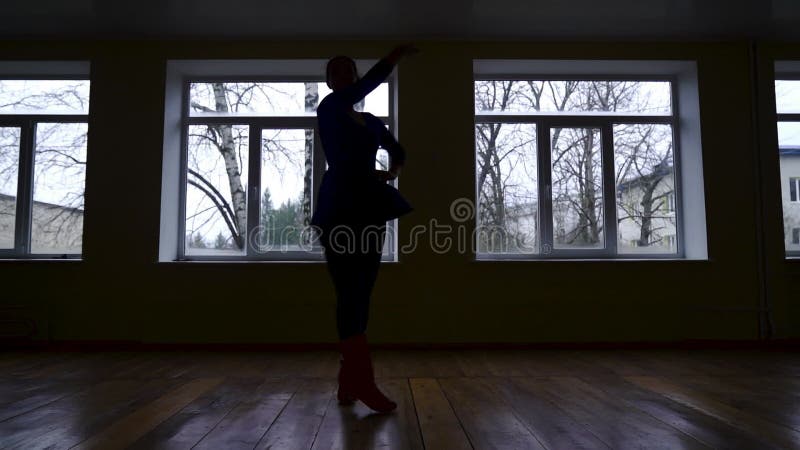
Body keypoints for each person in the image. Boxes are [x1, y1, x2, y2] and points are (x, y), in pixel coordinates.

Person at [311, 44, 418, 413]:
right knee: (348, 293)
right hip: (339, 208)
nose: (342, 76)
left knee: (362, 292)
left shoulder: (372, 121)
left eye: (347, 70)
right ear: (329, 81)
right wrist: (394, 56)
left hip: (370, 208)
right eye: (335, 71)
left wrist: (390, 173)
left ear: (352, 76)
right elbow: (370, 83)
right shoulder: (328, 108)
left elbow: (398, 151)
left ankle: (349, 378)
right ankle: (363, 380)